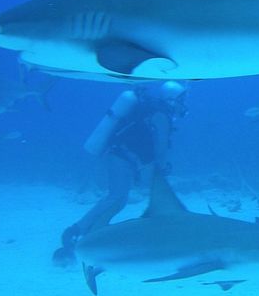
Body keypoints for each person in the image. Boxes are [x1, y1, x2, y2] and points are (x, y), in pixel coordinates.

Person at [52, 80, 187, 266]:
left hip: (121, 155)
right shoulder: (161, 115)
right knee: (117, 198)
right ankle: (76, 232)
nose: (183, 104)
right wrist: (162, 168)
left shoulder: (152, 110)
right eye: (182, 99)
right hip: (123, 157)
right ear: (172, 99)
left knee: (118, 198)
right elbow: (161, 146)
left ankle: (90, 232)